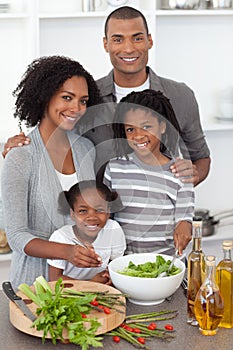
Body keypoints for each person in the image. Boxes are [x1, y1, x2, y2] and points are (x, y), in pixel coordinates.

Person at [2, 6, 210, 187]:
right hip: (98, 222)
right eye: (118, 39)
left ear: (149, 41)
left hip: (158, 219)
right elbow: (52, 137)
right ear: (106, 44)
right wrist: (20, 147)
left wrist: (191, 176)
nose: (128, 48)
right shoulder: (87, 96)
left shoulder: (180, 96)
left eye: (137, 38)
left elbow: (201, 158)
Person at [1, 55, 103, 289]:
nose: (76, 108)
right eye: (67, 98)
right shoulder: (20, 156)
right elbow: (16, 236)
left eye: (83, 101)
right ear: (45, 96)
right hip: (35, 286)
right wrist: (67, 251)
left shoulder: (87, 149)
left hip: (84, 282)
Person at [103, 89, 195, 256]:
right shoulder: (114, 168)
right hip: (124, 265)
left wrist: (184, 227)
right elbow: (105, 217)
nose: (138, 136)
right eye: (130, 129)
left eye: (146, 127)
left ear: (163, 126)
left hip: (166, 264)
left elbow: (184, 219)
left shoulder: (181, 172)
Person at [48, 180, 126, 284]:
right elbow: (54, 279)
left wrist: (109, 275)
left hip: (102, 292)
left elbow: (116, 265)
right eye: (83, 211)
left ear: (108, 212)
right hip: (69, 294)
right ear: (72, 213)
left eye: (99, 210)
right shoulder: (60, 237)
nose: (92, 217)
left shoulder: (113, 229)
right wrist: (90, 284)